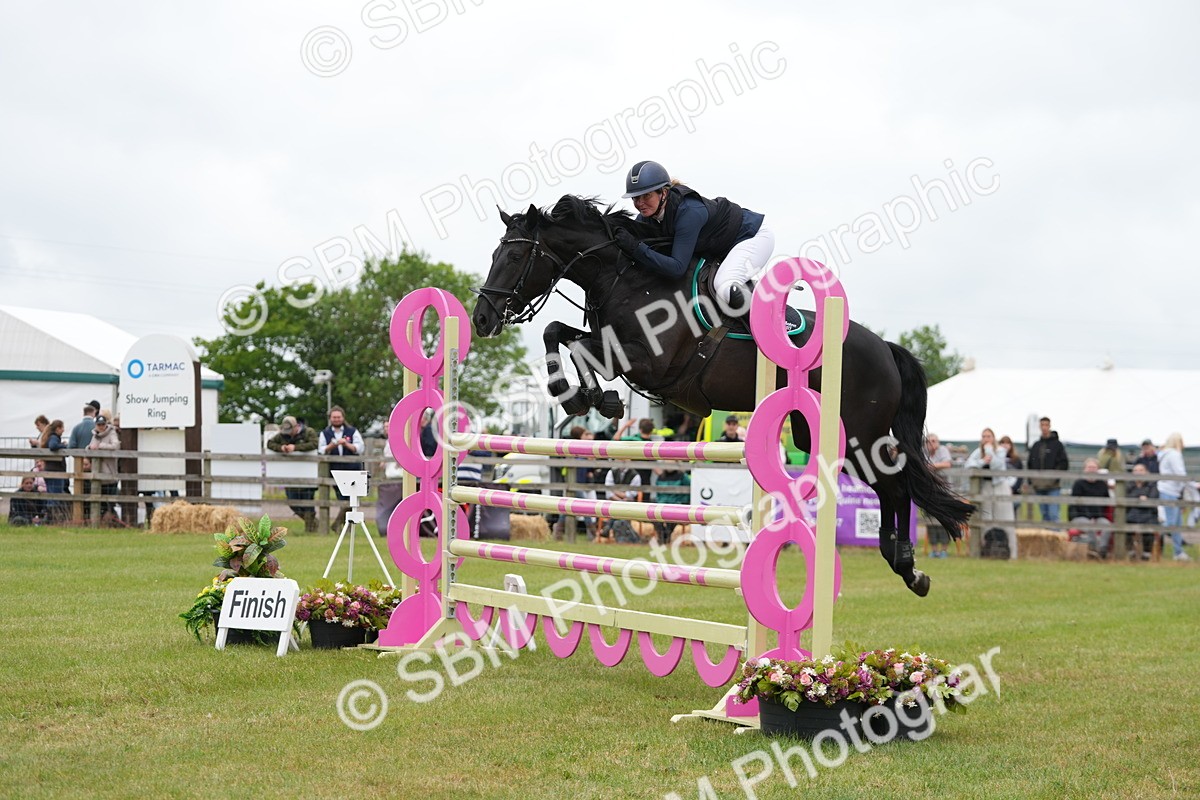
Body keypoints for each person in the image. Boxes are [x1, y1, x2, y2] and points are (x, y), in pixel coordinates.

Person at [613, 160, 774, 316]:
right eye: (635, 198)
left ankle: (774, 319)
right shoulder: (649, 214)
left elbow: (677, 268)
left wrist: (636, 248)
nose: (640, 203)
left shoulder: (689, 212)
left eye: (646, 196)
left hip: (752, 236)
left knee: (723, 286)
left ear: (664, 193)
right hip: (723, 247)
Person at [965, 428, 1017, 559]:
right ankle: (985, 551)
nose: (986, 439)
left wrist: (989, 451)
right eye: (983, 436)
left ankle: (1011, 553)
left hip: (1000, 486)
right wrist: (982, 461)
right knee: (985, 519)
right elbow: (968, 465)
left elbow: (997, 466)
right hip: (986, 487)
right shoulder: (978, 452)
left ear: (993, 438)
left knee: (1005, 519)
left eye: (988, 436)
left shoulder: (1000, 450)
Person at [267, 415, 320, 531]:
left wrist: (295, 447)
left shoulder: (308, 432)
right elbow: (270, 443)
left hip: (307, 474)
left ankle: (311, 529)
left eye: (291, 430)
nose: (289, 433)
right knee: (292, 503)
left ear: (296, 426)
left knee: (308, 503)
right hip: (290, 474)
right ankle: (314, 523)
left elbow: (315, 444)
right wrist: (281, 448)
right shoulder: (282, 435)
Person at [320, 405, 366, 528]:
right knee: (342, 498)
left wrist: (346, 444)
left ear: (343, 417)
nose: (336, 419)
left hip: (352, 469)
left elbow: (360, 448)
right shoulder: (325, 433)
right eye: (334, 417)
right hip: (335, 471)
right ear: (330, 418)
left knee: (352, 500)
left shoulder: (352, 431)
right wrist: (332, 445)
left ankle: (340, 525)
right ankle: (342, 526)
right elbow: (321, 450)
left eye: (338, 417)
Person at [1156, 432, 1191, 561]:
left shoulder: (1164, 454)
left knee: (1177, 523)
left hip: (1170, 490)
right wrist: (1192, 484)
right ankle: (1154, 534)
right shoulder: (1174, 455)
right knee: (1171, 523)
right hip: (1170, 490)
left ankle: (1178, 552)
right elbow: (1179, 472)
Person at [1026, 416, 1069, 523]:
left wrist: (1054, 477)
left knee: (1053, 514)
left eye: (1046, 425)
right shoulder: (1036, 445)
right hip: (1038, 485)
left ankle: (1055, 537)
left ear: (1049, 426)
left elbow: (1064, 463)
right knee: (1044, 515)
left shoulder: (1057, 445)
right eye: (1042, 425)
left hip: (1052, 485)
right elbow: (1030, 463)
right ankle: (1047, 538)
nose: (1044, 427)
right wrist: (1032, 481)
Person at [1069, 458, 1113, 558]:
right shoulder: (1078, 484)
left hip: (1097, 516)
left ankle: (1102, 550)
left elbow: (1105, 503)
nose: (1092, 470)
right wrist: (1089, 517)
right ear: (1085, 469)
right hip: (1080, 516)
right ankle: (1092, 550)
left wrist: (1096, 516)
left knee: (1108, 526)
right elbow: (1076, 504)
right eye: (1089, 467)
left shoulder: (1102, 485)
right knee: (1090, 527)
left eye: (1094, 467)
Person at [87, 413, 121, 520]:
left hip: (110, 473)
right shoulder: (95, 435)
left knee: (110, 502)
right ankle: (100, 521)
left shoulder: (112, 433)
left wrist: (100, 446)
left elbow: (116, 445)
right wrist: (89, 448)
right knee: (99, 501)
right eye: (99, 424)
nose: (101, 427)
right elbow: (90, 446)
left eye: (103, 424)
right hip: (97, 475)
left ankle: (112, 521)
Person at [1125, 464, 1159, 560]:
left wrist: (1136, 498)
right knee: (1125, 527)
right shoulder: (1129, 484)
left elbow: (1153, 497)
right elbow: (1126, 498)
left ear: (1146, 472)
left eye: (1141, 470)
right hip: (1132, 514)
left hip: (1148, 513)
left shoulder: (1152, 484)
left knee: (1149, 528)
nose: (1138, 472)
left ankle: (1146, 554)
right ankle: (1131, 553)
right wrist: (1141, 497)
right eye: (1135, 470)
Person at [39, 419, 69, 496]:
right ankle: (53, 508)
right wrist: (64, 446)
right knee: (56, 496)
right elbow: (53, 446)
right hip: (56, 471)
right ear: (57, 429)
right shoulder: (54, 437)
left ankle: (50, 508)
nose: (63, 430)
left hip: (50, 469)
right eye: (62, 428)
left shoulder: (51, 437)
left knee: (51, 495)